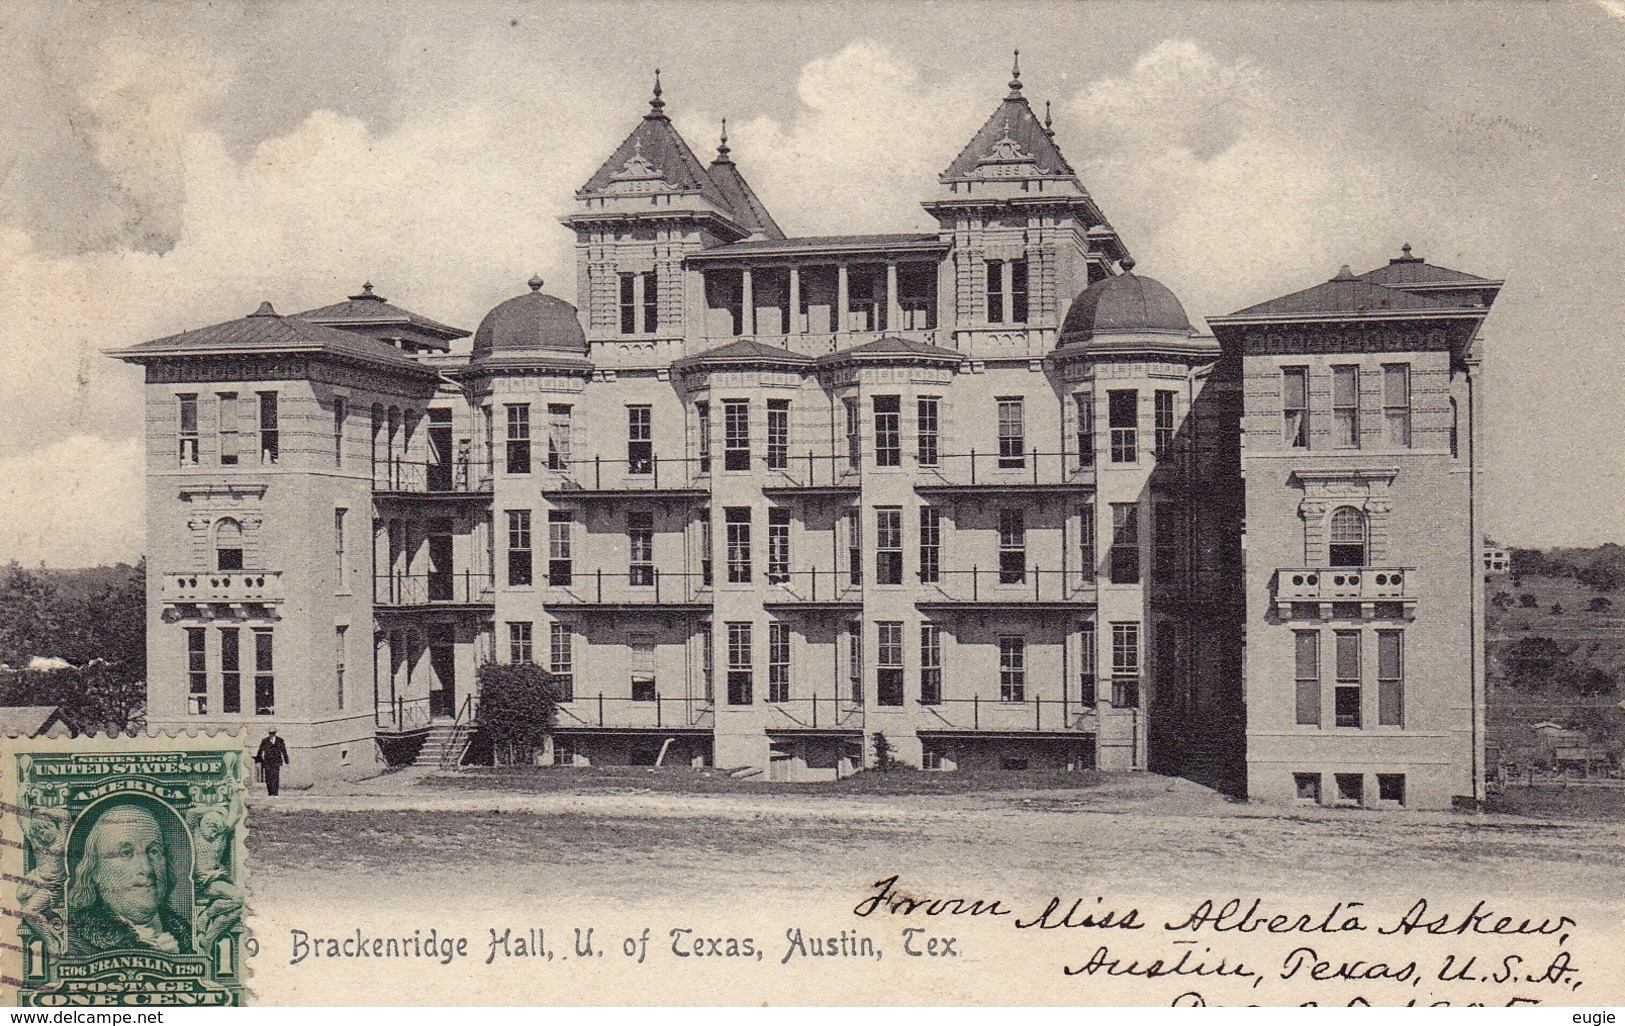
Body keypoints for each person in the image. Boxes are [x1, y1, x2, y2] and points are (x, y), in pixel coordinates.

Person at [66, 803, 191, 956]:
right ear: (95, 871)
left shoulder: (191, 937)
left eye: (153, 851)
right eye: (126, 853)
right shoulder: (71, 943)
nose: (146, 869)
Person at [255, 730, 290, 796]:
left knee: (275, 776)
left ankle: (275, 793)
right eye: (270, 733)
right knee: (268, 777)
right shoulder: (265, 741)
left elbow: (283, 750)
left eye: (273, 733)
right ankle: (270, 792)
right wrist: (258, 761)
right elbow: (260, 751)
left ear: (275, 733)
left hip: (276, 761)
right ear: (269, 733)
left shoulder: (280, 740)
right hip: (267, 761)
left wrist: (286, 761)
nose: (271, 734)